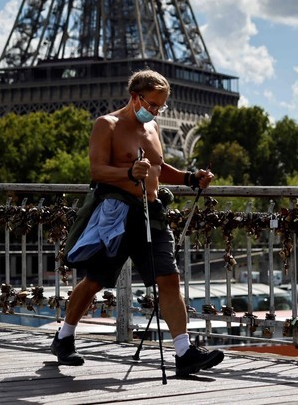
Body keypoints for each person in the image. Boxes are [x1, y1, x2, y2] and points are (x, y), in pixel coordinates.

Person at [50, 69, 224, 377]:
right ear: (135, 97)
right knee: (95, 281)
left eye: (161, 107)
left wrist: (188, 177)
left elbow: (157, 165)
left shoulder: (153, 126)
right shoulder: (107, 124)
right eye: (152, 104)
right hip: (116, 215)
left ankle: (183, 351)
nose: (155, 111)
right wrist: (129, 174)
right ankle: (64, 337)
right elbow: (98, 171)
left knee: (169, 279)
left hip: (151, 213)